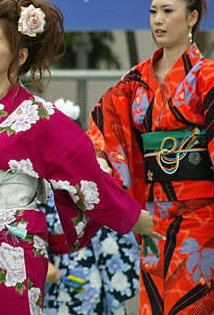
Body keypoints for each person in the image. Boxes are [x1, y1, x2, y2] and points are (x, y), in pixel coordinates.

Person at [0, 0, 160, 314]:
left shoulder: (38, 116)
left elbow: (86, 174)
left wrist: (136, 218)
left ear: (20, 55)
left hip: (15, 244)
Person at [87, 0, 214, 314]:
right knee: (154, 304)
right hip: (154, 214)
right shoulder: (134, 81)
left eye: (168, 11)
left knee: (195, 303)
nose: (158, 20)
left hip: (203, 213)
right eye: (153, 12)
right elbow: (104, 124)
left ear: (192, 17)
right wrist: (101, 160)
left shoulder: (212, 77)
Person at [40, 98, 140, 315]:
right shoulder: (38, 178)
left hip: (97, 262)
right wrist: (41, 262)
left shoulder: (93, 172)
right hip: (56, 266)